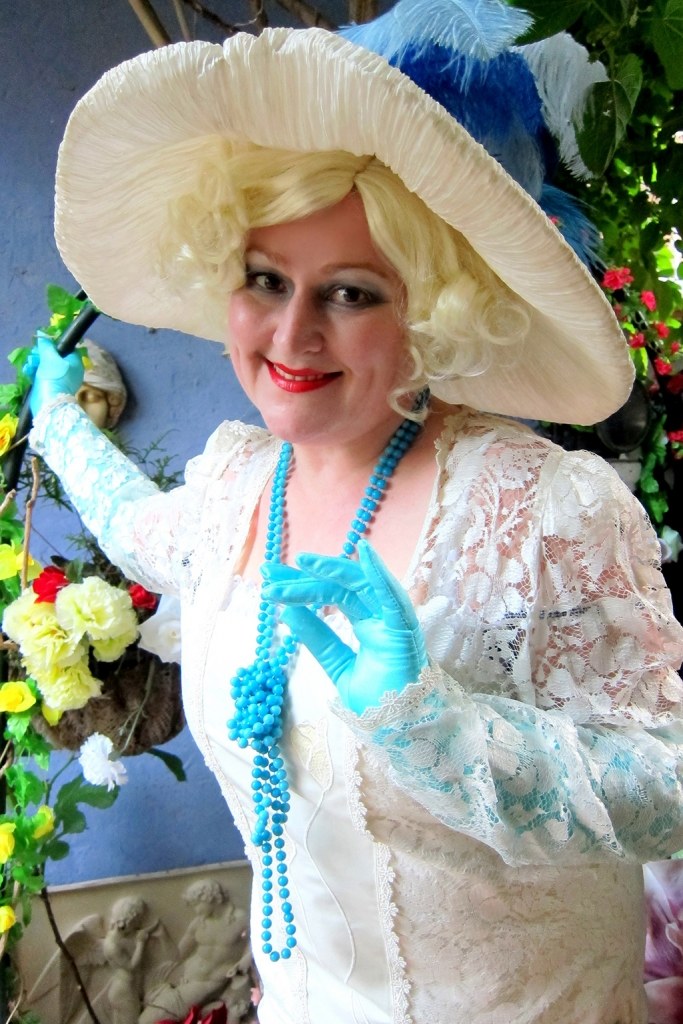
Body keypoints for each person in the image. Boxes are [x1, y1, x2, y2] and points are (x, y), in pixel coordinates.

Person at [20, 1, 683, 1021]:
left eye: (351, 293)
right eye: (263, 278)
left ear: (436, 303)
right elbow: (141, 529)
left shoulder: (536, 509)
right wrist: (61, 423)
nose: (290, 333)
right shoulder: (241, 483)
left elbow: (670, 785)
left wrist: (444, 736)